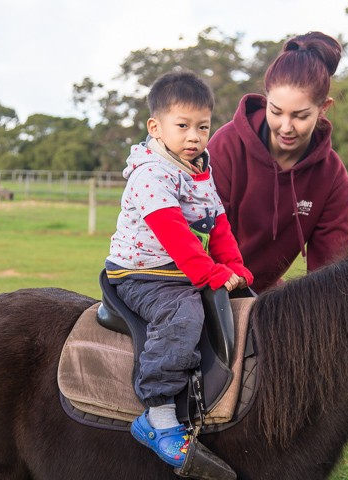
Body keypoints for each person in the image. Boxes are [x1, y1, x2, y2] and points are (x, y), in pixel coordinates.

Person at [104, 71, 253, 468]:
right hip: (142, 273)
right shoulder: (150, 174)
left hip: (179, 269)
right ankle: (159, 416)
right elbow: (176, 237)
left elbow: (217, 223)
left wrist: (235, 265)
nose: (194, 137)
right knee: (183, 316)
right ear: (156, 126)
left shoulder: (199, 168)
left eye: (202, 127)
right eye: (183, 126)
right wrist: (211, 274)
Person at [208, 31, 348, 293]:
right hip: (205, 285)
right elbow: (201, 237)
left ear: (323, 108)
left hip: (262, 295)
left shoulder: (332, 177)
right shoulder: (226, 147)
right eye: (276, 111)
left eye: (300, 116)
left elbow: (331, 275)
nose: (286, 127)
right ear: (265, 99)